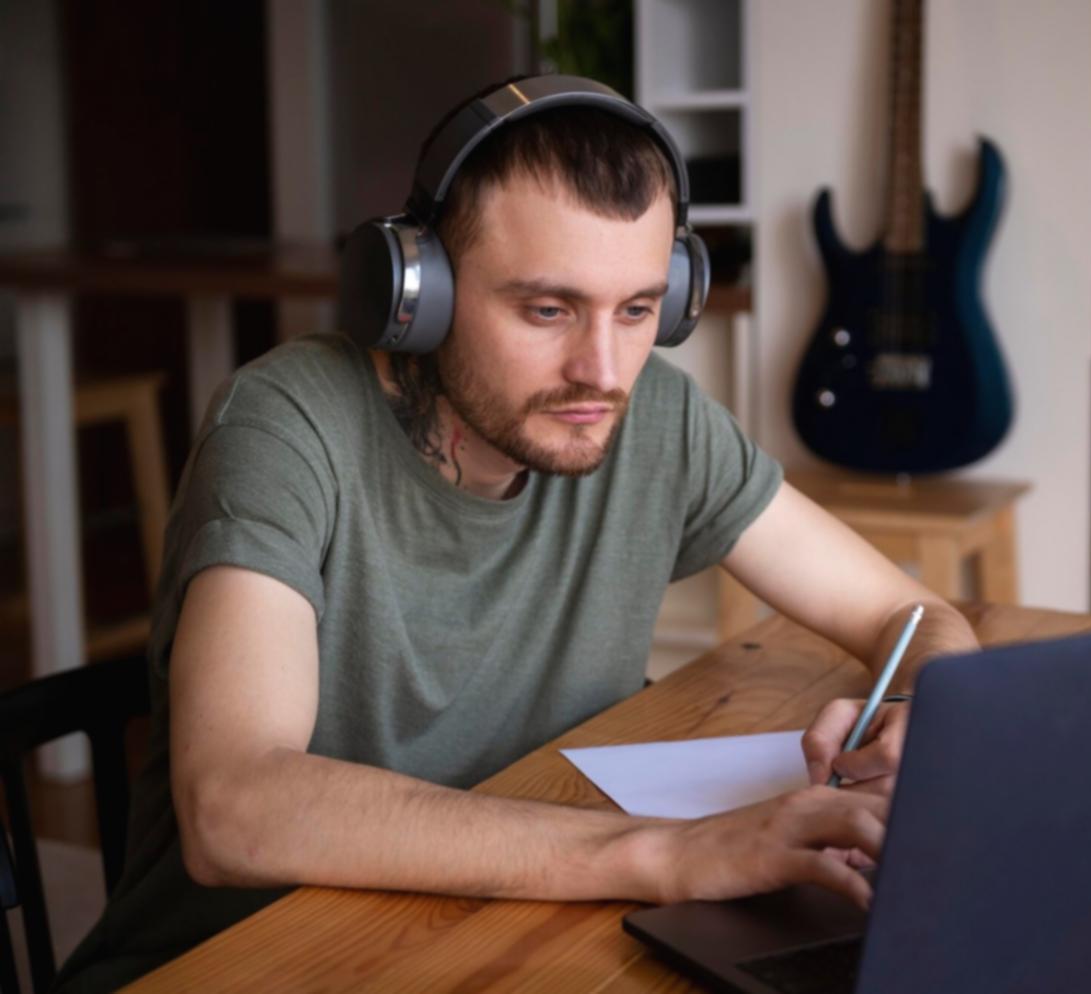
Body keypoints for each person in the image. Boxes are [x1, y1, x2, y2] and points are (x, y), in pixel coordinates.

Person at [55, 76, 980, 992]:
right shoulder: (285, 427)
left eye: (637, 308)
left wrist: (923, 714)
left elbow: (907, 610)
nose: (603, 372)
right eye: (547, 309)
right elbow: (234, 809)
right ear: (418, 291)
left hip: (503, 929)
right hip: (247, 961)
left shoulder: (652, 413)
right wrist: (668, 856)